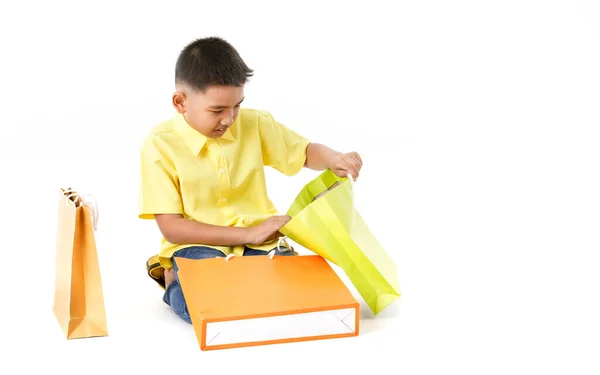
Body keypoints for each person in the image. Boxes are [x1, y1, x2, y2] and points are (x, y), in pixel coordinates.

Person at [138, 36, 363, 323]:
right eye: (217, 110)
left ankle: (234, 281)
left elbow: (304, 152)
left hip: (262, 243)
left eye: (237, 106)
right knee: (213, 305)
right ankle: (173, 281)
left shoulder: (255, 123)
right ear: (180, 102)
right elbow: (172, 227)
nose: (229, 118)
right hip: (198, 246)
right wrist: (247, 234)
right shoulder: (159, 144)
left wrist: (334, 158)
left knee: (300, 296)